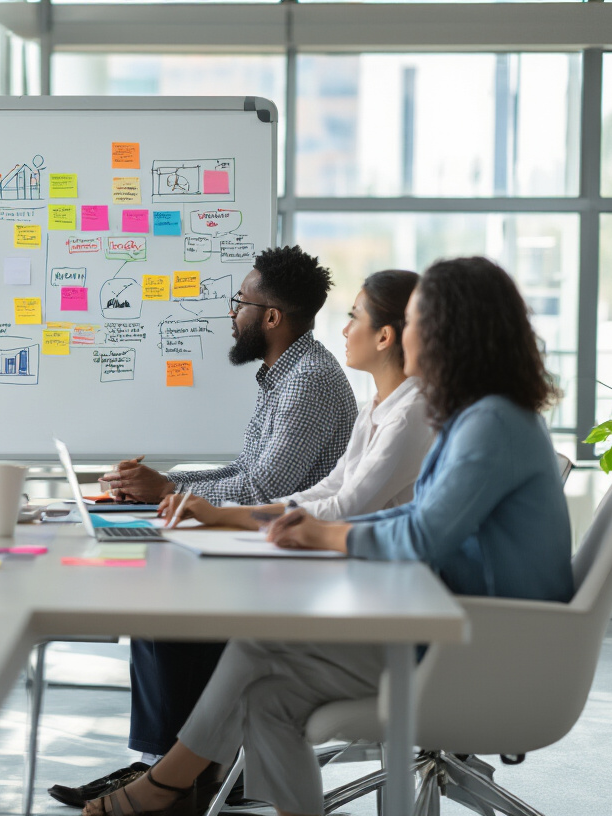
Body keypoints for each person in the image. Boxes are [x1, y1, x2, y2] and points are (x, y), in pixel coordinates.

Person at [82, 256, 575, 816]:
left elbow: (421, 534)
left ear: (449, 331)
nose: (401, 336)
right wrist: (304, 527)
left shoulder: (489, 423)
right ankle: (169, 783)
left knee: (258, 648)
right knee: (268, 696)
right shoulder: (484, 415)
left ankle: (164, 785)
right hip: (454, 623)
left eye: (414, 321)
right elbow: (400, 518)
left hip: (475, 646)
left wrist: (328, 535)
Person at [49, 247, 357, 810]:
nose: (231, 313)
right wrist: (167, 482)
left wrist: (169, 492)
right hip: (261, 547)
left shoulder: (308, 382)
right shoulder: (284, 375)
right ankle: (164, 767)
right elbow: (244, 473)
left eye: (241, 301)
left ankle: (175, 776)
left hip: (285, 565)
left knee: (164, 599)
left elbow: (266, 490)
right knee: (156, 583)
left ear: (271, 317)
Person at [158, 269, 433, 530]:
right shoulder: (376, 407)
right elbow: (329, 489)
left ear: (384, 336)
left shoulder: (398, 413)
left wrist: (217, 511)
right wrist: (182, 492)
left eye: (355, 317)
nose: (345, 330)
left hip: (382, 565)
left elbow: (345, 507)